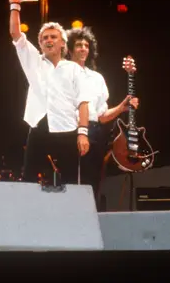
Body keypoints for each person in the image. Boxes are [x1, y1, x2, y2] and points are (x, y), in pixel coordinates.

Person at [8, 0, 93, 187]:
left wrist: (83, 133)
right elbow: (15, 33)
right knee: (29, 179)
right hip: (39, 124)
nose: (48, 40)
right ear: (39, 44)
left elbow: (83, 103)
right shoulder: (34, 62)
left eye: (53, 37)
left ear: (63, 43)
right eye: (44, 38)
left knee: (70, 182)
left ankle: (70, 215)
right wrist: (15, 7)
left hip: (68, 128)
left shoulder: (74, 69)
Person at [65, 26, 139, 206]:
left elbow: (102, 116)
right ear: (69, 48)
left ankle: (91, 216)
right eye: (78, 45)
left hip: (95, 132)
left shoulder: (96, 78)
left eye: (86, 45)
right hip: (70, 130)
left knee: (93, 179)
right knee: (70, 178)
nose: (83, 48)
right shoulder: (63, 72)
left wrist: (122, 107)